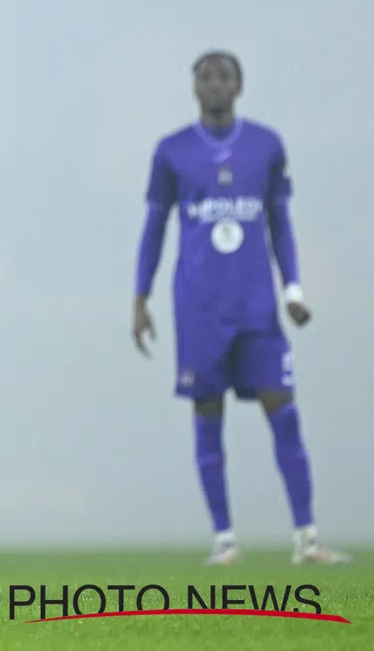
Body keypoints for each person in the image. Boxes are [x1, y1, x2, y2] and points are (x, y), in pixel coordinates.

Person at [132, 51, 349, 566]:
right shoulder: (172, 152)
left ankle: (307, 538)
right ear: (193, 87)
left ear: (240, 85)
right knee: (208, 416)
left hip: (257, 309)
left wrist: (292, 288)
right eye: (204, 75)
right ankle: (224, 540)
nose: (214, 83)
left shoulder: (266, 146)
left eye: (223, 75)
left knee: (284, 411)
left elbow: (280, 222)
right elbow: (154, 227)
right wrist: (140, 297)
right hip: (200, 309)